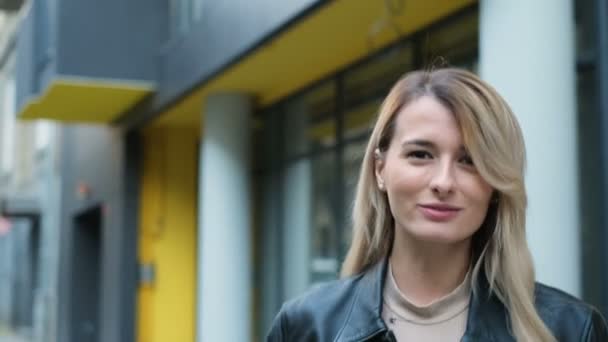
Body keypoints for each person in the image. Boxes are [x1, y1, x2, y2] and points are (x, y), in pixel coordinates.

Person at [266, 68, 608, 341]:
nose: (443, 182)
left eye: (470, 161)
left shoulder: (570, 329)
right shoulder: (307, 326)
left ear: (496, 186)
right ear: (380, 168)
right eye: (420, 154)